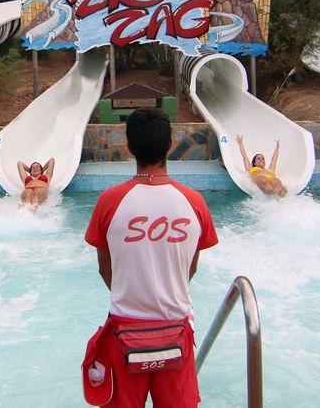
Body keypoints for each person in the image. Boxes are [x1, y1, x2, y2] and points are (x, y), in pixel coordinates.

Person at [82, 107, 218, 408]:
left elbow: (106, 269)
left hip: (123, 332)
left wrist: (135, 296)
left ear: (129, 147)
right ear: (170, 144)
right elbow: (189, 268)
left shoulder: (109, 202)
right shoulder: (193, 203)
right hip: (176, 331)